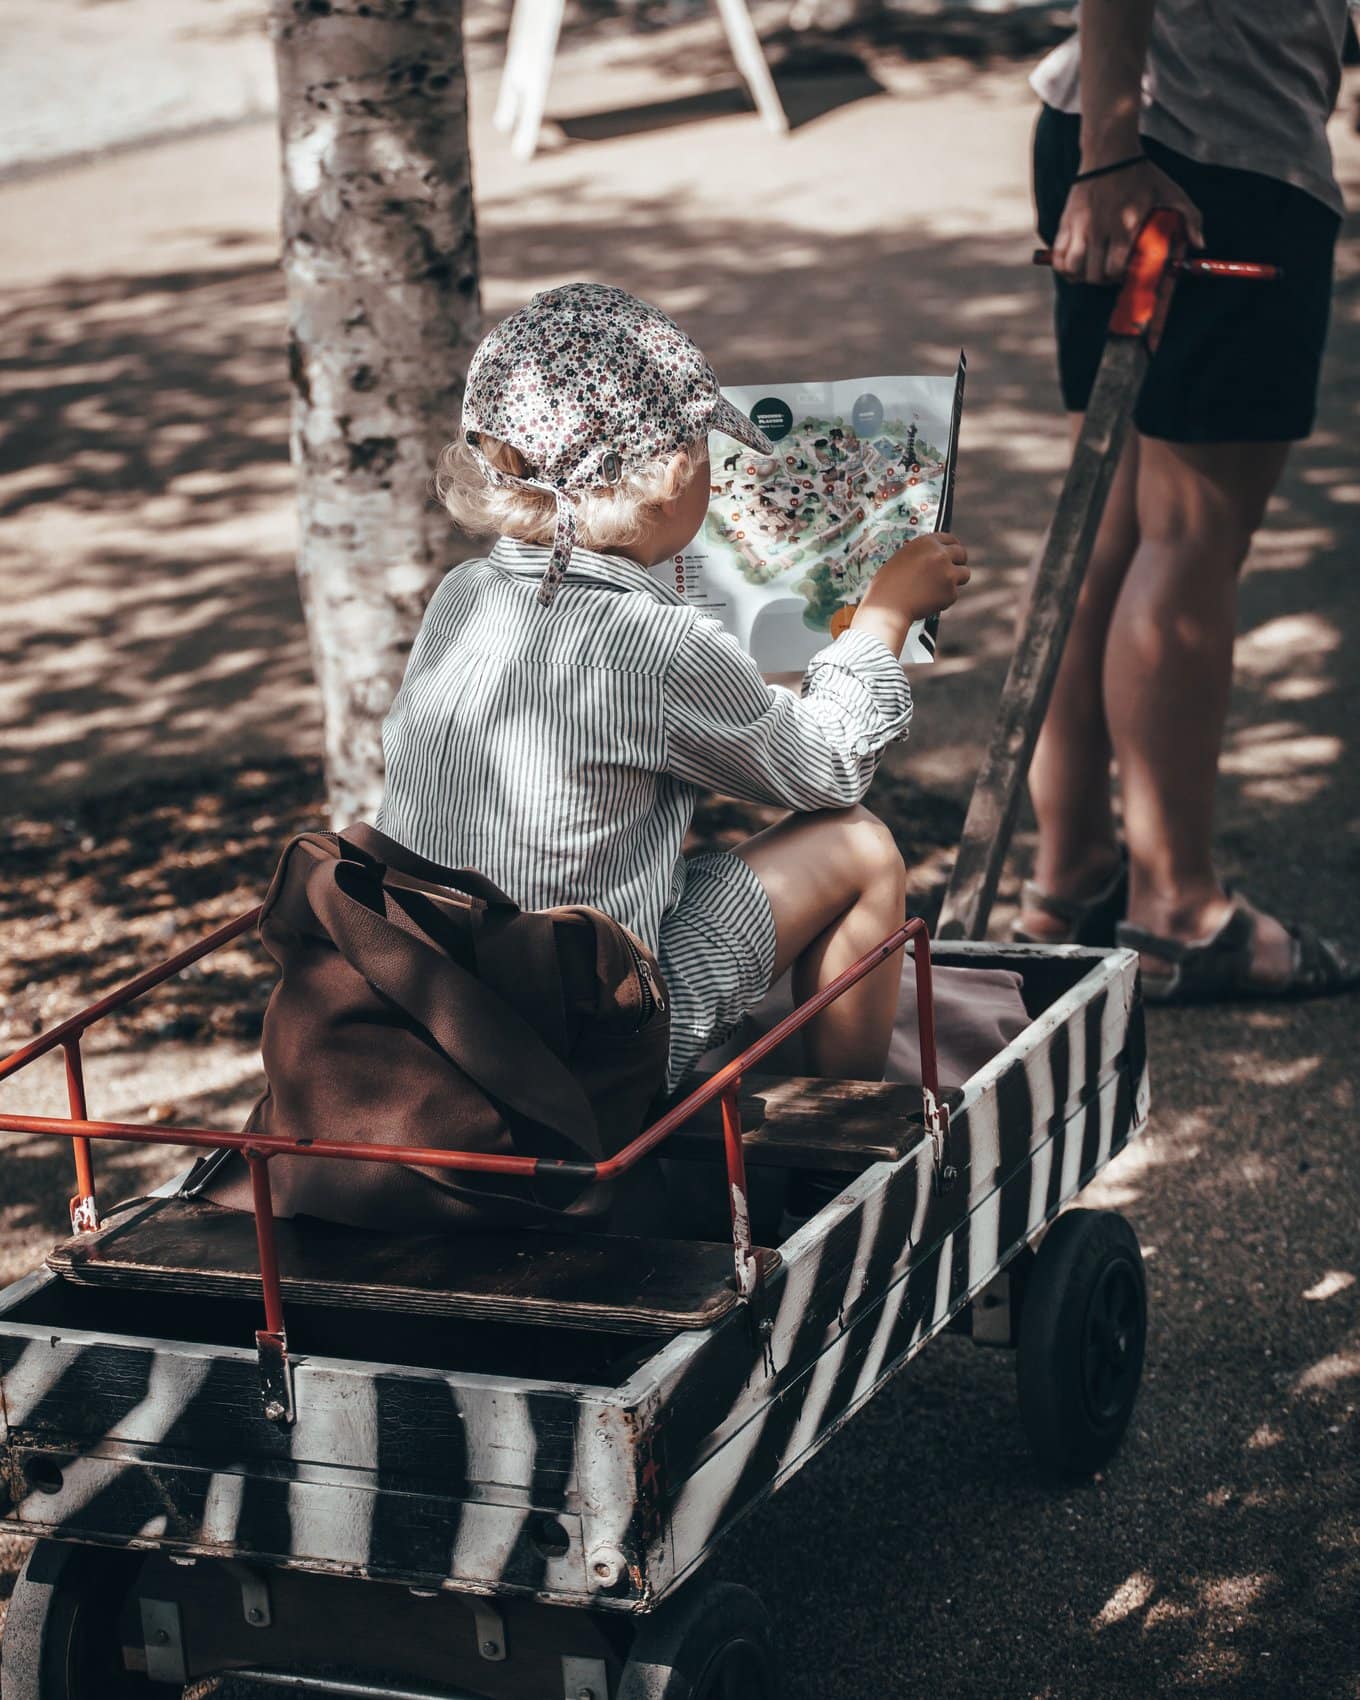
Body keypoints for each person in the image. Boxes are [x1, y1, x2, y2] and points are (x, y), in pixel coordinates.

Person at [374, 282, 969, 1094]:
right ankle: (852, 1132)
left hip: (446, 1018)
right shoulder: (659, 645)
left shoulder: (463, 594)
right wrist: (885, 616)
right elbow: (827, 767)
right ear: (674, 471)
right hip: (589, 1055)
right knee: (860, 844)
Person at [1019, 0, 1357, 1000]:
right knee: (1187, 538)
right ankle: (1176, 907)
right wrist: (1114, 154)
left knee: (1116, 524)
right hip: (1204, 161)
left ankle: (1072, 868)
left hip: (1137, 140)